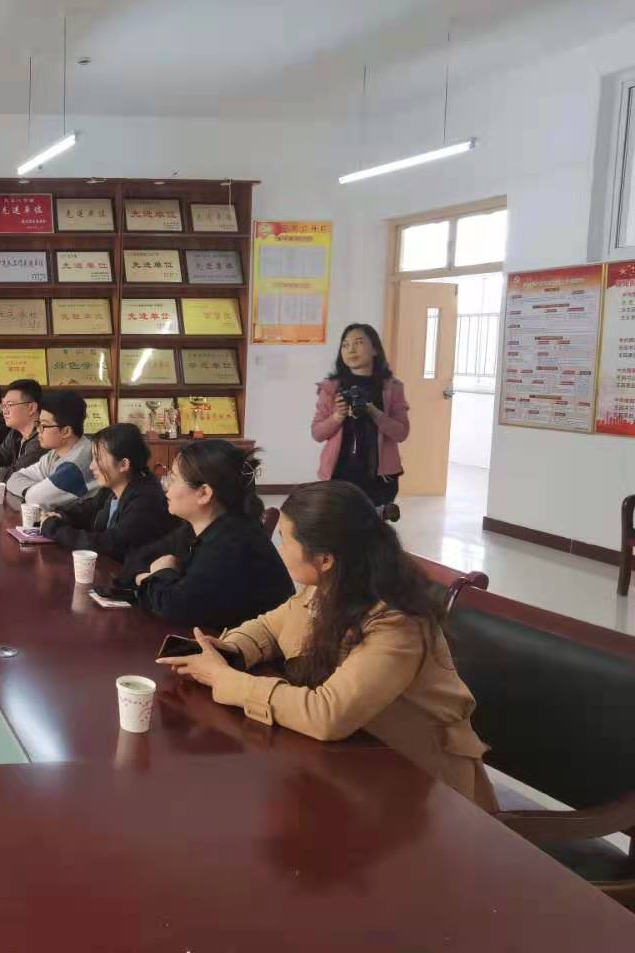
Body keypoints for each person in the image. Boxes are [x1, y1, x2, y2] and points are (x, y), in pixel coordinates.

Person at [157, 480, 497, 810]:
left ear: (324, 558)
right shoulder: (330, 585)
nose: (280, 550)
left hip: (427, 792)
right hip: (357, 765)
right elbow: (270, 627)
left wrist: (225, 679)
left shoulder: (397, 622)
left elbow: (327, 715)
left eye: (285, 541)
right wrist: (230, 651)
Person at [124, 440, 291, 630]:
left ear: (204, 493)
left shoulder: (234, 542)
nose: (165, 486)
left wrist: (160, 573)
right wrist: (150, 578)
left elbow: (176, 607)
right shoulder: (194, 528)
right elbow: (136, 560)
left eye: (173, 478)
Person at [38, 423, 177, 562]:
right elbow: (87, 510)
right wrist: (60, 516)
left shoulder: (146, 500)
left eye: (98, 459)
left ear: (124, 464)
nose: (92, 466)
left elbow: (109, 544)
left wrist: (55, 529)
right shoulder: (112, 489)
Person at [313, 323, 409, 522]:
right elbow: (317, 433)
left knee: (373, 529)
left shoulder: (392, 388)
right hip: (339, 475)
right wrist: (338, 416)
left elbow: (401, 433)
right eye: (345, 345)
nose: (351, 350)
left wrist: (374, 412)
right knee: (340, 528)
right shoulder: (330, 388)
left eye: (358, 343)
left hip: (380, 478)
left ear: (375, 349)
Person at [5, 391, 98, 508]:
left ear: (66, 431)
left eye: (44, 425)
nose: (38, 430)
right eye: (38, 423)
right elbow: (13, 478)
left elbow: (36, 499)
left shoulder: (77, 464)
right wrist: (37, 490)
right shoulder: (54, 454)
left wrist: (36, 491)